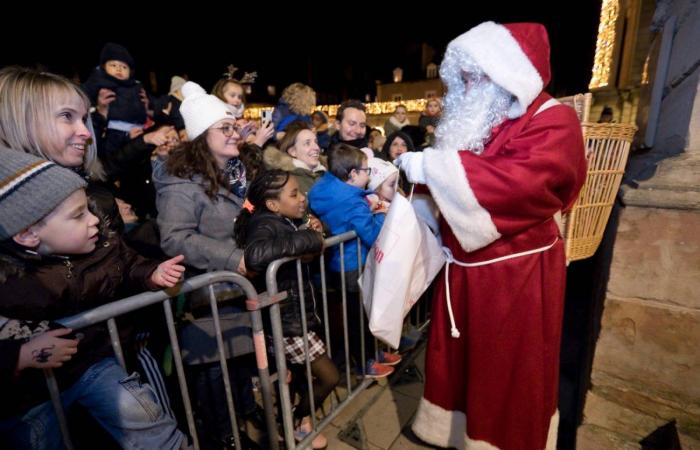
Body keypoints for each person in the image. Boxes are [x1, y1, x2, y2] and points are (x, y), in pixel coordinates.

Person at [395, 22, 587, 450]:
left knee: (506, 372)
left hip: (515, 278)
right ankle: (458, 434)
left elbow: (525, 184)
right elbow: (455, 180)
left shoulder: (554, 120)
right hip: (466, 270)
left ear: (508, 72)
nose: (466, 85)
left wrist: (431, 168)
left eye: (476, 73)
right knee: (464, 368)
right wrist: (406, 186)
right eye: (463, 75)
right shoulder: (485, 122)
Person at [0, 149, 186, 449]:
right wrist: (19, 356)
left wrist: (152, 273)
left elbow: (127, 264)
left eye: (87, 209)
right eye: (78, 216)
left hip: (91, 363)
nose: (94, 221)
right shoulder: (8, 283)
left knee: (143, 417)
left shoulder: (102, 245)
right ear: (27, 234)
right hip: (28, 394)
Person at [152, 81, 263, 448]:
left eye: (235, 126)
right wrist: (236, 259)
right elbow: (176, 238)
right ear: (202, 135)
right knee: (218, 401)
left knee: (241, 392)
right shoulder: (179, 181)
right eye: (225, 128)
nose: (235, 133)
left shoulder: (232, 173)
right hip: (207, 309)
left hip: (236, 299)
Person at [234, 169, 336, 449]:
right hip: (288, 322)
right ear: (272, 204)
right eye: (294, 194)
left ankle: (296, 423)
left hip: (294, 316)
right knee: (330, 377)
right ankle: (293, 418)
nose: (302, 198)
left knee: (295, 376)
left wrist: (312, 231)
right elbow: (255, 255)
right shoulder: (264, 224)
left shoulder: (282, 220)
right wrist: (310, 239)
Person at [308, 144, 400, 378]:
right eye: (366, 170)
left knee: (357, 315)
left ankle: (372, 354)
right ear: (352, 175)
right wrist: (380, 215)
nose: (368, 175)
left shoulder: (323, 188)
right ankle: (365, 363)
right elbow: (371, 234)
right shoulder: (353, 202)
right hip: (351, 264)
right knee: (359, 318)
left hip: (335, 264)